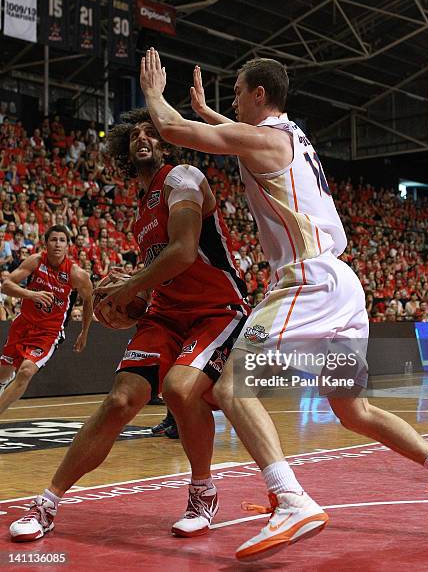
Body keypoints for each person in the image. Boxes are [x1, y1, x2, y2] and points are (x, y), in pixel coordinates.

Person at [135, 48, 428, 560]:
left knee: (232, 387)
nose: (231, 100)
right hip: (340, 284)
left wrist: (150, 91)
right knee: (354, 410)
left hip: (306, 282)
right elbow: (235, 137)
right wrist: (214, 116)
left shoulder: (264, 140)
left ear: (260, 94)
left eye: (237, 93)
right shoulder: (292, 135)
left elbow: (170, 130)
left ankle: (291, 498)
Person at [9, 109, 249, 543]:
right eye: (135, 134)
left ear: (164, 143)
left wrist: (130, 286)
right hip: (167, 315)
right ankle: (48, 501)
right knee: (119, 401)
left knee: (179, 389)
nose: (143, 139)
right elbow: (158, 279)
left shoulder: (183, 178)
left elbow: (184, 253)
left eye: (151, 133)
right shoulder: (140, 213)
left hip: (216, 309)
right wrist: (131, 307)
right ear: (124, 149)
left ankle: (202, 490)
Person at [0, 225, 93, 413]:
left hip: (48, 332)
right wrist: (30, 295)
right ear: (46, 243)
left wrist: (84, 332)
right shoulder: (36, 261)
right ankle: (4, 383)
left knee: (25, 371)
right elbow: (6, 285)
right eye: (53, 240)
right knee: (4, 373)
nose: (57, 244)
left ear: (68, 246)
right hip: (23, 323)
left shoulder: (77, 274)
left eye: (62, 240)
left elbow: (89, 302)